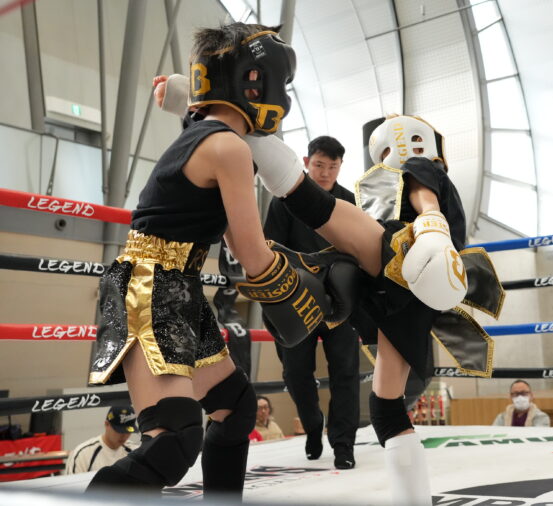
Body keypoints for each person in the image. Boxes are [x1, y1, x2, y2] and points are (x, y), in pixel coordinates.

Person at [157, 81, 500, 505]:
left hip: (399, 257)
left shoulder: (421, 168)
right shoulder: (401, 183)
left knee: (308, 200)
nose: (384, 160)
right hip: (405, 291)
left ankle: (203, 108)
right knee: (386, 409)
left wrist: (432, 230)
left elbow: (424, 196)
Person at [86, 23, 358, 500]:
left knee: (235, 406)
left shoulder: (206, 136)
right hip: (150, 284)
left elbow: (240, 240)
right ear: (256, 83)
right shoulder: (228, 147)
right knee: (173, 442)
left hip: (174, 284)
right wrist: (308, 289)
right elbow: (251, 255)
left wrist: (299, 271)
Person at [263, 136, 360, 470]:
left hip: (341, 301)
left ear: (340, 167)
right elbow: (270, 248)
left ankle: (344, 445)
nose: (325, 173)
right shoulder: (284, 199)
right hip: (296, 301)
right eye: (319, 165)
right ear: (306, 162)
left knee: (346, 372)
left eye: (333, 166)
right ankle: (313, 424)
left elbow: (360, 247)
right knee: (295, 373)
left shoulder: (349, 202)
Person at [65, 406, 137, 475]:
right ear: (107, 424)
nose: (124, 435)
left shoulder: (135, 451)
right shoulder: (83, 454)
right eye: (119, 431)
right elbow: (70, 482)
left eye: (128, 431)